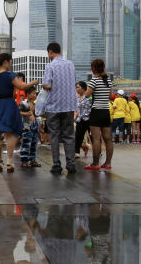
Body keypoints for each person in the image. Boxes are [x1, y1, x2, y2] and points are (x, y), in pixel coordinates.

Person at [0, 53, 32, 173]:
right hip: (8, 103)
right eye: (10, 62)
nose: (10, 64)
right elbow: (22, 87)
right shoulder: (10, 75)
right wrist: (33, 83)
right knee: (11, 132)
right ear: (6, 62)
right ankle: (9, 161)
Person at [40, 42, 78, 175]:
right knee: (69, 135)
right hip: (68, 106)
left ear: (50, 52)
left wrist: (46, 86)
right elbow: (73, 82)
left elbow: (46, 85)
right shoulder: (71, 64)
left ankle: (57, 165)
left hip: (54, 106)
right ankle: (71, 165)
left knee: (54, 135)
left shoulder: (50, 66)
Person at [85, 59, 113, 170]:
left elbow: (87, 95)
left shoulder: (94, 81)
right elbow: (110, 96)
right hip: (106, 111)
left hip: (96, 111)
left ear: (94, 68)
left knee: (96, 139)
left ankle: (95, 164)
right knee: (108, 139)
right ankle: (108, 163)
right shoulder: (108, 81)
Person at [19, 85, 40, 167]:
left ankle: (32, 160)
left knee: (34, 143)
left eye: (36, 94)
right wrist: (26, 113)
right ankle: (24, 160)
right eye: (34, 93)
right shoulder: (23, 103)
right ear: (28, 94)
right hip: (26, 125)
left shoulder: (35, 104)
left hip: (34, 125)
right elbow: (18, 112)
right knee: (26, 143)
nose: (35, 95)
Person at [74, 81, 91, 158]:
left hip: (89, 119)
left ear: (83, 88)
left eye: (78, 87)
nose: (76, 89)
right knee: (78, 136)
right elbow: (78, 109)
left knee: (93, 136)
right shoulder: (77, 98)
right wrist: (75, 117)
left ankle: (98, 151)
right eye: (76, 87)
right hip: (80, 120)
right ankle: (76, 152)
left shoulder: (89, 97)